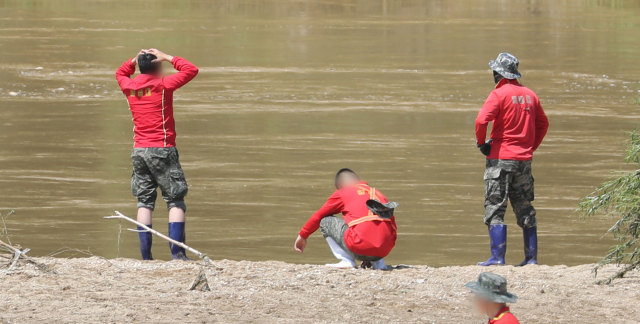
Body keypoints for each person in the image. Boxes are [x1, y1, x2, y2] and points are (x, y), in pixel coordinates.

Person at [115, 49, 199, 260]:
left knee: (144, 201)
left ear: (140, 67)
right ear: (159, 67)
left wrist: (134, 60)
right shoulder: (162, 85)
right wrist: (169, 57)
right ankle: (178, 255)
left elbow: (120, 73)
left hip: (139, 151)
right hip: (162, 149)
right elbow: (191, 70)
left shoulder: (129, 86)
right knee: (175, 200)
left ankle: (146, 258)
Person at [475, 53, 549, 266]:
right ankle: (531, 259)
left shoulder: (499, 94)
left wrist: (482, 143)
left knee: (495, 206)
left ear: (498, 73)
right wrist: (530, 146)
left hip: (500, 159)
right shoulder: (530, 95)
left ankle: (497, 257)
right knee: (524, 206)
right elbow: (543, 124)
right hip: (524, 160)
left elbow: (482, 120)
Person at [294, 169, 398, 269]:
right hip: (384, 250)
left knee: (325, 221)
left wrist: (303, 235)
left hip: (360, 246)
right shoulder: (378, 194)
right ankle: (378, 263)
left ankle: (346, 261)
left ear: (341, 185)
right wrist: (373, 253)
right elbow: (392, 226)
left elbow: (319, 215)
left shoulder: (343, 192)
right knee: (374, 223)